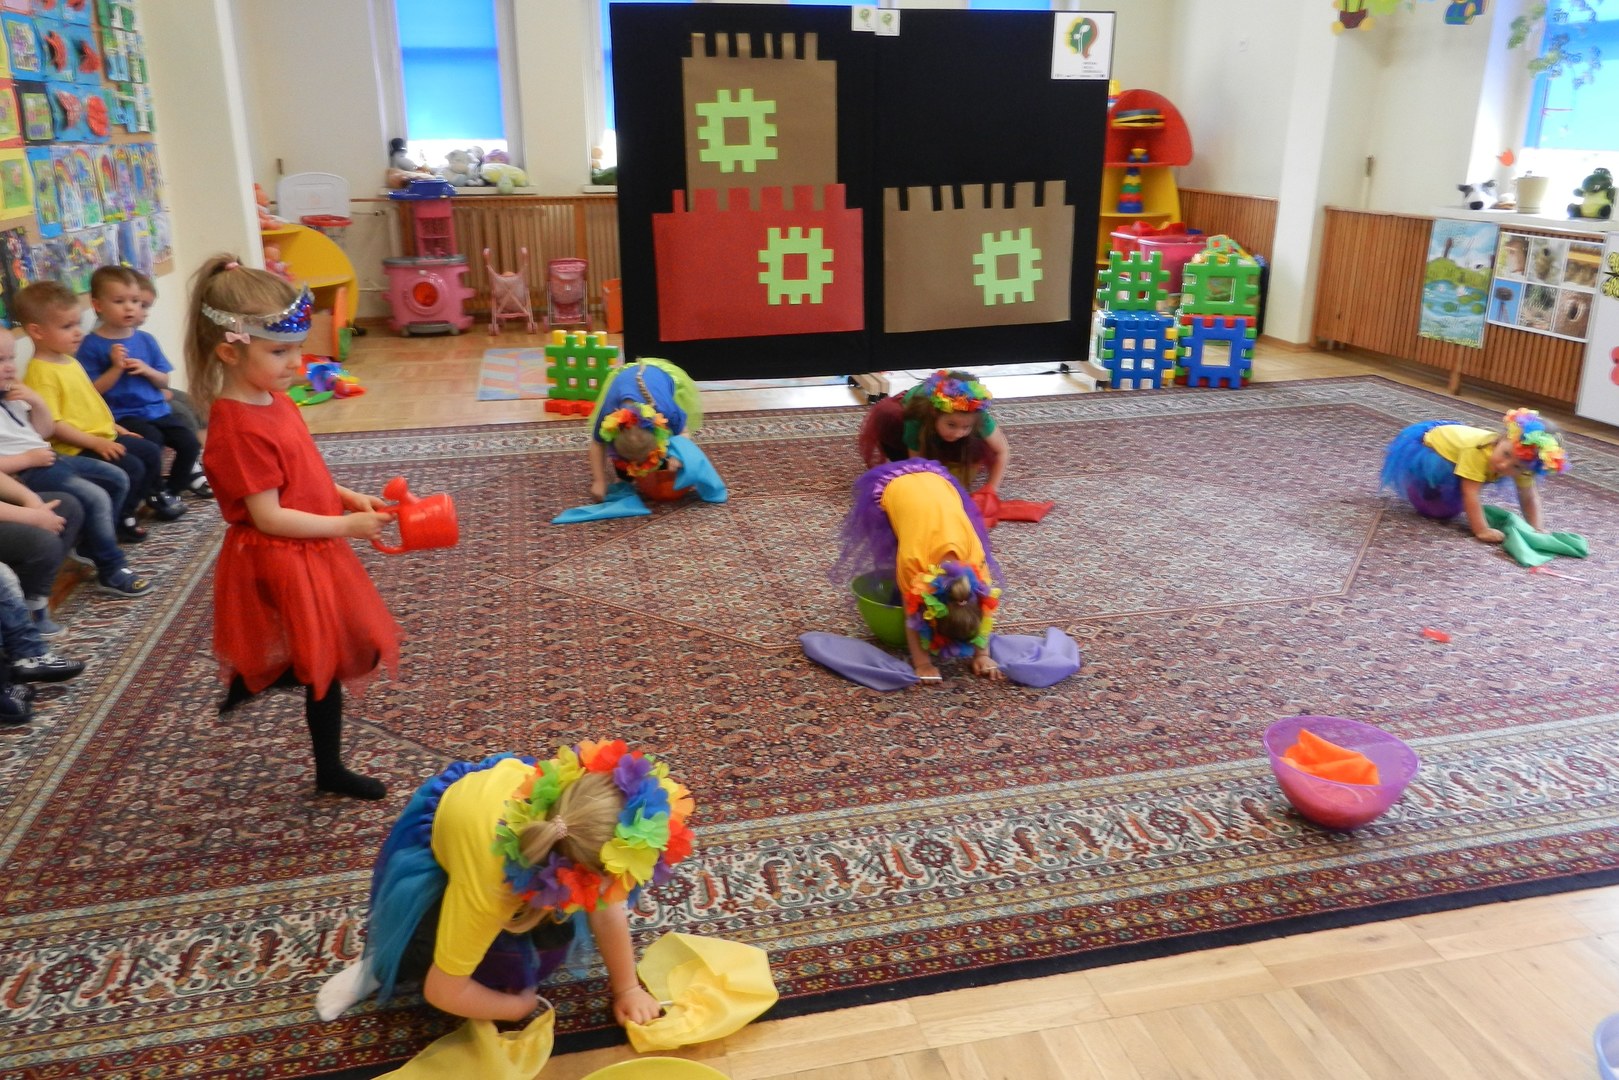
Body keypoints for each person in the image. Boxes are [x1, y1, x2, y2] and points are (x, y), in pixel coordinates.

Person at [185, 255, 400, 800]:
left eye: (297, 349)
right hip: (283, 554)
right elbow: (269, 516)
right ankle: (329, 768)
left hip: (313, 544)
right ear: (229, 352)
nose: (295, 363)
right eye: (279, 352)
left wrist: (344, 495)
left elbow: (300, 471)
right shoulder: (236, 429)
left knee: (350, 649)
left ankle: (257, 678)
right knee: (328, 662)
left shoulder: (276, 399)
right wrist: (346, 524)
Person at [315, 740, 694, 1028]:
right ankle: (378, 967)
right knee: (424, 942)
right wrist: (517, 1008)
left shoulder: (575, 818)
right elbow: (442, 990)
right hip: (456, 830)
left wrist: (627, 988)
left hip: (506, 809)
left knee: (550, 931)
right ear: (575, 871)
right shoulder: (490, 887)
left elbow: (606, 902)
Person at [16, 281, 183, 543]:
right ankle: (114, 522)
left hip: (102, 434)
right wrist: (96, 442)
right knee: (131, 466)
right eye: (67, 327)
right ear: (37, 331)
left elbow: (91, 401)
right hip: (76, 446)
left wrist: (115, 427)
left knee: (150, 452)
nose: (78, 333)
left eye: (78, 324)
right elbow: (55, 425)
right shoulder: (40, 373)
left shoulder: (69, 361)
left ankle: (131, 508)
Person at [0, 330, 151, 600]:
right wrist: (28, 459)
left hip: (50, 458)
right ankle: (111, 567)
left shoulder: (10, 395)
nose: (10, 366)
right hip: (25, 472)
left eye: (11, 358)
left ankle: (92, 545)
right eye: (0, 360)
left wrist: (35, 401)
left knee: (117, 478)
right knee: (95, 496)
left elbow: (43, 431)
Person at [834, 460, 1006, 682]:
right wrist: (923, 664)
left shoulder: (978, 568)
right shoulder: (913, 563)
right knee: (896, 546)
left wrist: (983, 655)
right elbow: (911, 613)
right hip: (900, 487)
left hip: (939, 488)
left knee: (911, 536)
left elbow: (986, 609)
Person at [77, 266, 208, 504]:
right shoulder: (90, 345)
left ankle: (171, 491)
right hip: (123, 415)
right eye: (119, 301)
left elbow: (164, 380)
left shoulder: (146, 340)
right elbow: (92, 392)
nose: (130, 308)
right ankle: (153, 492)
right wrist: (116, 368)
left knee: (189, 443)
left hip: (157, 410)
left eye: (135, 301)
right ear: (98, 305)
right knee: (151, 443)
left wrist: (147, 371)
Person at [1380, 408, 1568, 542]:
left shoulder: (1524, 465)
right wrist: (1482, 530)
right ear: (1501, 438)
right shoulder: (1477, 452)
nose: (1504, 465)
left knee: (1456, 499)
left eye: (1517, 467)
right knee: (1437, 509)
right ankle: (1421, 485)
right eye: (1505, 454)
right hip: (1433, 447)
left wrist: (1536, 528)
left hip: (1459, 449)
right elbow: (1471, 493)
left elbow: (1529, 496)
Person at [856, 370, 1011, 492]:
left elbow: (1002, 451)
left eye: (966, 427)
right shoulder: (916, 416)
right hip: (911, 418)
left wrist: (991, 490)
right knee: (889, 419)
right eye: (952, 425)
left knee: (973, 447)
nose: (958, 433)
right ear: (934, 414)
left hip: (940, 423)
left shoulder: (978, 416)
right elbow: (916, 463)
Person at [131, 268, 211, 498]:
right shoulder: (110, 341)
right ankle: (191, 469)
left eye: (145, 306)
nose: (143, 313)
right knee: (181, 414)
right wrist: (158, 393)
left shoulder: (141, 337)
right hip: (138, 404)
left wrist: (161, 388)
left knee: (195, 403)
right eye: (140, 305)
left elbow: (158, 373)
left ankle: (205, 459)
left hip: (153, 391)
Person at [586, 359, 704, 502]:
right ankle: (624, 471)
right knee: (624, 473)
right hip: (625, 379)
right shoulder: (608, 413)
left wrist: (677, 455)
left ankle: (661, 457)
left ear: (657, 432)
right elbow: (597, 444)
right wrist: (599, 480)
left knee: (666, 460)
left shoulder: (667, 411)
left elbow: (683, 432)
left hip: (659, 376)